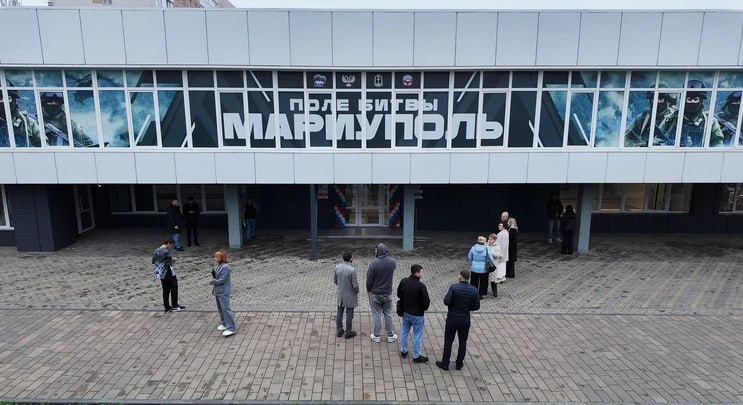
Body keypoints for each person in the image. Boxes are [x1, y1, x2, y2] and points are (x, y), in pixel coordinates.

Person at [656, 80, 724, 147]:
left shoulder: (710, 121)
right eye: (689, 99)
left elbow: (718, 144)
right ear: (684, 100)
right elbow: (657, 139)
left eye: (696, 99)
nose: (692, 102)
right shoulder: (671, 119)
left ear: (701, 101)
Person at [435, 270, 480, 372]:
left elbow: (446, 301)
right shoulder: (474, 290)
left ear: (461, 277)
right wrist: (468, 308)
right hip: (465, 319)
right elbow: (477, 306)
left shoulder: (454, 287)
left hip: (452, 318)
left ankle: (445, 363)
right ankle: (459, 363)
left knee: (448, 341)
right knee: (463, 342)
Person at [397, 264, 430, 363]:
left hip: (406, 312)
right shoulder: (421, 286)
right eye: (421, 271)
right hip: (417, 315)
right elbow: (426, 304)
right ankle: (416, 356)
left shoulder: (404, 281)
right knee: (417, 335)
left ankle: (404, 351)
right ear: (417, 273)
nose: (423, 273)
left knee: (404, 331)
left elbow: (399, 294)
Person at [366, 243, 398, 343]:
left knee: (376, 314)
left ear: (379, 251)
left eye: (376, 250)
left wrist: (368, 289)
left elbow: (369, 280)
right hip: (387, 292)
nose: (375, 252)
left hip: (375, 293)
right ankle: (390, 335)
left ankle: (376, 335)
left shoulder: (373, 264)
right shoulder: (392, 262)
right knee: (388, 313)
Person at [0, 80, 42, 147]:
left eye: (8, 98)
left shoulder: (27, 122)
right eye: (0, 98)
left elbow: (43, 145)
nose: (3, 102)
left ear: (14, 100)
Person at [152, 240, 185, 313]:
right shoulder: (165, 251)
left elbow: (153, 261)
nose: (170, 247)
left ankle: (167, 307)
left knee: (165, 291)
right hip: (168, 272)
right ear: (168, 244)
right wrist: (174, 260)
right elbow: (168, 263)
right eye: (170, 245)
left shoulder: (156, 250)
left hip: (161, 273)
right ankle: (175, 305)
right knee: (174, 288)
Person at [210, 249, 235, 337]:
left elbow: (222, 280)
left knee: (226, 309)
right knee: (221, 309)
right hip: (218, 291)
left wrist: (213, 281)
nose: (215, 258)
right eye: (215, 257)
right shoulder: (219, 266)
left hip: (223, 291)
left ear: (222, 258)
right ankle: (224, 323)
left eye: (217, 257)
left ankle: (231, 328)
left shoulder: (225, 267)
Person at [334, 252, 359, 339]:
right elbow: (355, 285)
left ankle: (339, 329)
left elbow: (335, 280)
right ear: (350, 258)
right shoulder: (352, 270)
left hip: (341, 294)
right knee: (349, 313)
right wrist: (357, 291)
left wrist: (341, 286)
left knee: (339, 312)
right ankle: (348, 331)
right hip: (350, 295)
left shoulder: (337, 267)